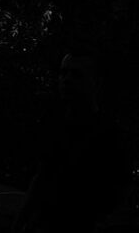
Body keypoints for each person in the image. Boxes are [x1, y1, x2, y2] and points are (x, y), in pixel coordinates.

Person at [11, 51, 132, 233]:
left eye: (76, 74)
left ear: (96, 83)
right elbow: (42, 176)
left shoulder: (110, 135)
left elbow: (119, 195)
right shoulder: (55, 122)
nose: (66, 79)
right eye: (63, 73)